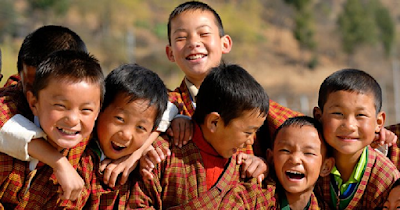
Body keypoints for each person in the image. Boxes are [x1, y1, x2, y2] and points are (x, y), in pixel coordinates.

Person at [165, 1, 302, 155]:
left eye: (203, 34)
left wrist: (265, 165)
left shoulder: (249, 101)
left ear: (225, 44)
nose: (193, 43)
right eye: (181, 38)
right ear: (170, 53)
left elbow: (302, 131)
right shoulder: (168, 105)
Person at [128, 63, 269, 209]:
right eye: (248, 132)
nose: (251, 141)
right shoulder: (161, 155)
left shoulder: (243, 167)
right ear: (214, 122)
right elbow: (136, 204)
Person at [40, 63, 169, 209]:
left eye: (140, 127)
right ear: (99, 108)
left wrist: (137, 153)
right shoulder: (72, 146)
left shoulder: (148, 164)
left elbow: (173, 108)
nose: (126, 135)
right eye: (120, 119)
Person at [0, 50, 104, 209]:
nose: (73, 119)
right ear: (34, 103)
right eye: (61, 106)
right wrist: (59, 162)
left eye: (86, 110)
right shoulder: (11, 110)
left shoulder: (84, 157)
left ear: (98, 112)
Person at [313, 69, 400, 209]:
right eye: (338, 113)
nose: (349, 126)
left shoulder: (385, 178)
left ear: (378, 122)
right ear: (318, 117)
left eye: (360, 115)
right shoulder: (309, 162)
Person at [269, 116, 334, 209]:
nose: (295, 159)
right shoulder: (254, 197)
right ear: (271, 158)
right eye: (285, 150)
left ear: (325, 167)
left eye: (308, 153)